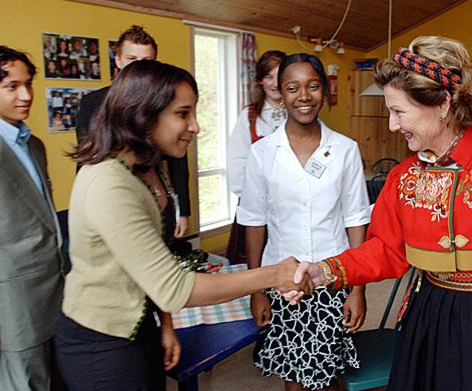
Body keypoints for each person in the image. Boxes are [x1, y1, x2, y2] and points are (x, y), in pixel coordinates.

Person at [287, 36, 472, 390]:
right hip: (428, 312)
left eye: (399, 112)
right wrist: (324, 271)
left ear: (442, 103)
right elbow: (387, 250)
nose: (393, 125)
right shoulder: (403, 178)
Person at [55, 59, 313, 390]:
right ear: (144, 115)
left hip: (140, 322)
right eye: (182, 114)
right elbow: (174, 287)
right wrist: (272, 275)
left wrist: (165, 324)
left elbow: (156, 260)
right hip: (101, 339)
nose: (195, 127)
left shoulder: (150, 168)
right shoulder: (108, 184)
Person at [238, 53, 371, 390]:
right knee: (294, 376)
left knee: (332, 373)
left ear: (324, 90)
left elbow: (356, 218)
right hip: (282, 282)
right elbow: (253, 221)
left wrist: (358, 289)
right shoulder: (262, 153)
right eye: (293, 88)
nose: (304, 96)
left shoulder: (345, 149)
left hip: (334, 278)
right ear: (280, 93)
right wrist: (256, 290)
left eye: (313, 86)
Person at [76, 24, 191, 239]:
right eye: (131, 59)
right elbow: (87, 159)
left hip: (159, 200)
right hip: (115, 203)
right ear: (118, 60)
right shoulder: (93, 103)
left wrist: (183, 210)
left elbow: (178, 159)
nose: (138, 67)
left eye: (146, 61)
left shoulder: (164, 102)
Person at [0, 46, 66, 390]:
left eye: (28, 84)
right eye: (11, 87)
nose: (25, 96)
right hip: (12, 301)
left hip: (55, 286)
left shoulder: (34, 144)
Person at [226, 49, 287, 262]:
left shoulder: (300, 112)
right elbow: (236, 162)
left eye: (280, 76)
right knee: (254, 264)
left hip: (291, 205)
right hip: (256, 205)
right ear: (260, 80)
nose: (275, 83)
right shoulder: (249, 116)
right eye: (269, 77)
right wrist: (255, 197)